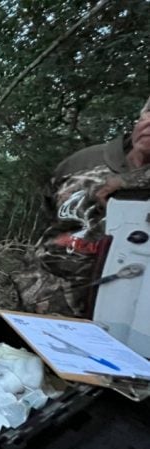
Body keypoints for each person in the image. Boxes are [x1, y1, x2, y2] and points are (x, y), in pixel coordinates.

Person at [16, 96, 150, 317]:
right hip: (42, 305)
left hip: (127, 320)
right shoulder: (83, 163)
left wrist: (132, 182)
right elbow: (49, 220)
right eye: (149, 113)